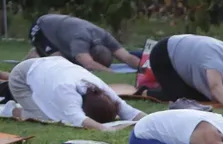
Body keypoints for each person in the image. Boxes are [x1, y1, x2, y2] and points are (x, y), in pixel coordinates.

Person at [7, 56, 145, 130]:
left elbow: (132, 112)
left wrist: (152, 120)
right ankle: (9, 110)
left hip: (48, 68)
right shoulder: (67, 92)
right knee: (44, 117)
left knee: (58, 110)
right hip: (21, 77)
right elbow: (78, 119)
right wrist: (107, 129)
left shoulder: (103, 90)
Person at [144, 34, 223, 110]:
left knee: (201, 96)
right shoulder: (214, 63)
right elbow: (215, 86)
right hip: (163, 55)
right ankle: (146, 92)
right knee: (183, 99)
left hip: (183, 49)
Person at [27, 14, 141, 72]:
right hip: (41, 28)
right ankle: (35, 55)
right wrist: (109, 72)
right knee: (60, 63)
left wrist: (143, 68)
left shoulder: (105, 36)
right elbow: (89, 64)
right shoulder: (80, 40)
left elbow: (127, 57)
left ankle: (40, 53)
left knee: (72, 61)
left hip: (63, 30)